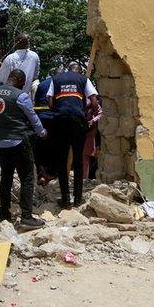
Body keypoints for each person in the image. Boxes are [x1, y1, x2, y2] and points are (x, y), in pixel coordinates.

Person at [0, 69, 46, 229]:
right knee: (27, 178)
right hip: (19, 141)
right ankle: (26, 216)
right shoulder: (20, 96)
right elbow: (32, 116)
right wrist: (42, 132)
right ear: (20, 81)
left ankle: (4, 214)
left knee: (6, 177)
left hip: (0, 142)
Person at [47, 61, 99, 208]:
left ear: (68, 69)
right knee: (78, 160)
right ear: (80, 71)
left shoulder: (56, 79)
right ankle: (77, 199)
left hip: (60, 122)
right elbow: (94, 102)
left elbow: (50, 103)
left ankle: (65, 200)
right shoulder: (84, 79)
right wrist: (83, 108)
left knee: (62, 161)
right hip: (77, 122)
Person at [33, 68, 60, 185]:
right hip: (56, 119)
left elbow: (36, 103)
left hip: (42, 119)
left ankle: (41, 175)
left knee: (40, 148)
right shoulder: (60, 84)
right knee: (55, 147)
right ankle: (52, 173)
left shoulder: (42, 84)